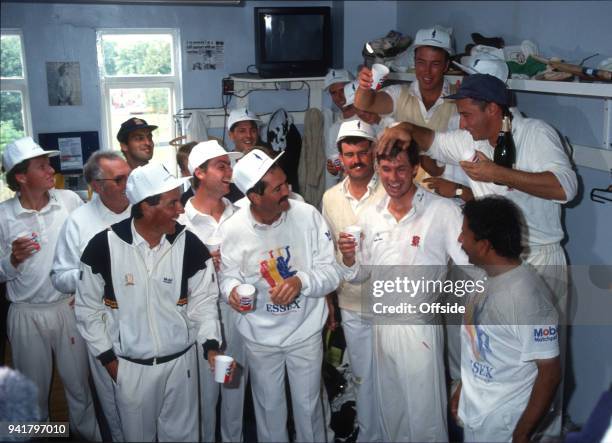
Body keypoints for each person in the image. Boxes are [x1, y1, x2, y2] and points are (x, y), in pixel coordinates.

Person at [379, 73, 577, 437]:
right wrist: (403, 128)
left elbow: (565, 187)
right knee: (487, 352)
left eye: (468, 114)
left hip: (539, 261)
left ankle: (535, 434)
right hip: (495, 265)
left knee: (541, 365)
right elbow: (432, 140)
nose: (462, 123)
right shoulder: (468, 138)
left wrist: (495, 173)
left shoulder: (536, 133)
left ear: (494, 109)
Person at [75, 162, 222, 442]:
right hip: (131, 369)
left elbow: (204, 302)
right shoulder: (103, 247)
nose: (181, 209)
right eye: (172, 203)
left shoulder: (190, 245)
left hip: (182, 366)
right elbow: (87, 310)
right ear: (145, 206)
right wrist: (110, 361)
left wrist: (211, 346)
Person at [338, 141, 469, 442]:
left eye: (400, 169)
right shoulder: (371, 214)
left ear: (414, 169)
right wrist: (348, 258)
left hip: (419, 328)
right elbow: (361, 274)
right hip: (382, 325)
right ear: (377, 168)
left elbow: (470, 265)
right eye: (386, 169)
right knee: (391, 412)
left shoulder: (442, 211)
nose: (393, 178)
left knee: (425, 418)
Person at [218, 149, 340, 442]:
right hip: (259, 338)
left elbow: (332, 272)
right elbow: (227, 276)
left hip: (304, 331)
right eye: (278, 189)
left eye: (285, 183)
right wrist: (231, 292)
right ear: (254, 197)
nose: (288, 191)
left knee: (309, 408)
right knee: (269, 410)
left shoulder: (307, 215)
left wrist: (301, 281)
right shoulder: (233, 229)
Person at [0, 137, 99, 441]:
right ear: (21, 176)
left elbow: (89, 244)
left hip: (66, 307)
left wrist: (81, 293)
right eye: (41, 166)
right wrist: (12, 260)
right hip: (25, 313)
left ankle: (88, 436)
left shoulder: (69, 200)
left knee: (79, 387)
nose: (50, 169)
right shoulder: (3, 215)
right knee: (34, 390)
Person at [453, 196, 561, 442]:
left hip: (504, 426)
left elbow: (550, 373)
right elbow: (479, 343)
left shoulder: (527, 299)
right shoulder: (487, 279)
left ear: (484, 245)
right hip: (478, 414)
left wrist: (522, 434)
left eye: (464, 233)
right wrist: (463, 387)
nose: (460, 240)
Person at [51, 151, 131, 442]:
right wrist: (92, 276)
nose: (128, 184)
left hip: (151, 321)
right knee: (116, 402)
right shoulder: (79, 221)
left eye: (129, 175)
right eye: (120, 179)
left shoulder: (145, 209)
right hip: (104, 325)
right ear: (97, 186)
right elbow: (59, 277)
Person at [321, 120, 386, 442]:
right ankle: (370, 433)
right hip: (352, 300)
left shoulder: (392, 189)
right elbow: (327, 252)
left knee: (394, 373)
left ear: (374, 152)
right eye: (349, 154)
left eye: (362, 152)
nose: (356, 160)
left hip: (392, 299)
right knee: (361, 374)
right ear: (340, 157)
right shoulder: (330, 198)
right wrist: (329, 299)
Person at [178, 140, 244, 443]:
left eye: (229, 165)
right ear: (200, 173)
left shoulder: (241, 214)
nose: (229, 171)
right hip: (199, 316)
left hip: (239, 313)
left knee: (234, 390)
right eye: (222, 166)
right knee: (204, 396)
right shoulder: (180, 221)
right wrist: (197, 262)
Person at [356, 27, 462, 184]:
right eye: (421, 63)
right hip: (398, 188)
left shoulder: (459, 101)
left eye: (435, 64)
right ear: (414, 62)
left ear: (446, 66)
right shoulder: (400, 94)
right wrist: (365, 86)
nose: (427, 72)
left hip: (440, 196)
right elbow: (365, 104)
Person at [323, 68, 357, 189]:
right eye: (334, 93)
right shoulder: (334, 129)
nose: (339, 96)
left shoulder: (370, 118)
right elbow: (334, 163)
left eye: (343, 90)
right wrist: (334, 171)